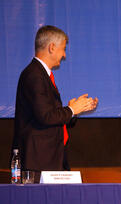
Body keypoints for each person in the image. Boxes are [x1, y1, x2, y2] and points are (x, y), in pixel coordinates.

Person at [12, 25, 98, 182]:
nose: (64, 55)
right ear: (52, 47)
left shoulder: (42, 74)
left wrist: (75, 110)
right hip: (38, 161)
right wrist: (71, 109)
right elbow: (45, 116)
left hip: (49, 158)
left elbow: (50, 116)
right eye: (63, 49)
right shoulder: (35, 75)